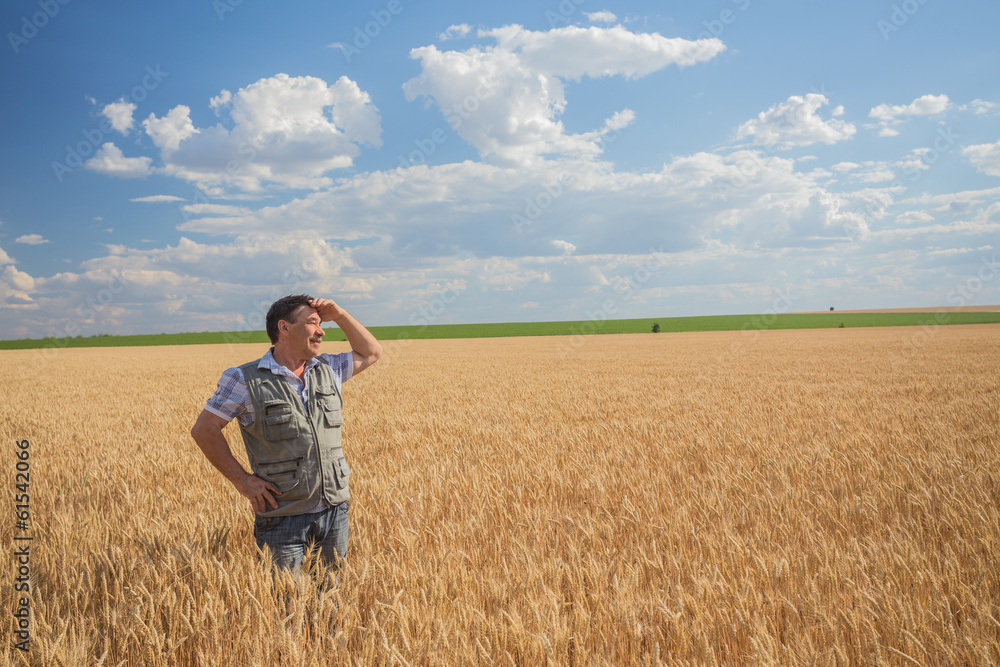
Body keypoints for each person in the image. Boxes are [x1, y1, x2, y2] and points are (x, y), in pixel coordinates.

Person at [190, 294, 382, 573]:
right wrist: (242, 481)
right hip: (282, 516)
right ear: (284, 328)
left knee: (329, 601)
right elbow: (204, 429)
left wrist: (339, 313)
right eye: (313, 323)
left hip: (334, 509)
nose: (321, 331)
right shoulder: (244, 379)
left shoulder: (329, 369)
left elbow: (371, 352)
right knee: (286, 604)